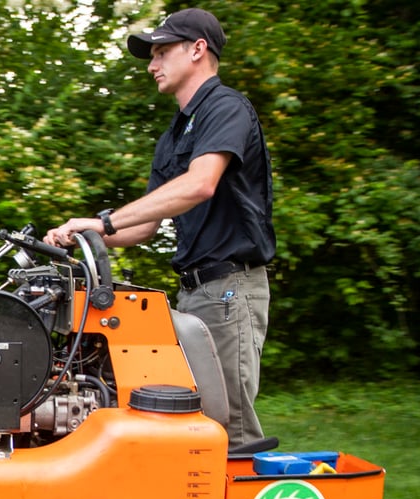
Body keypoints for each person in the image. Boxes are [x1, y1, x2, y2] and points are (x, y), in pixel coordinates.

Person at [45, 7, 274, 446]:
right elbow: (146, 226)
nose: (152, 65)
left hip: (229, 288)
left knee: (230, 427)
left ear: (197, 50)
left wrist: (104, 220)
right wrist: (84, 235)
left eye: (162, 52)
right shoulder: (174, 135)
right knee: (194, 423)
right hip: (192, 292)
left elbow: (200, 185)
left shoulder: (226, 109)